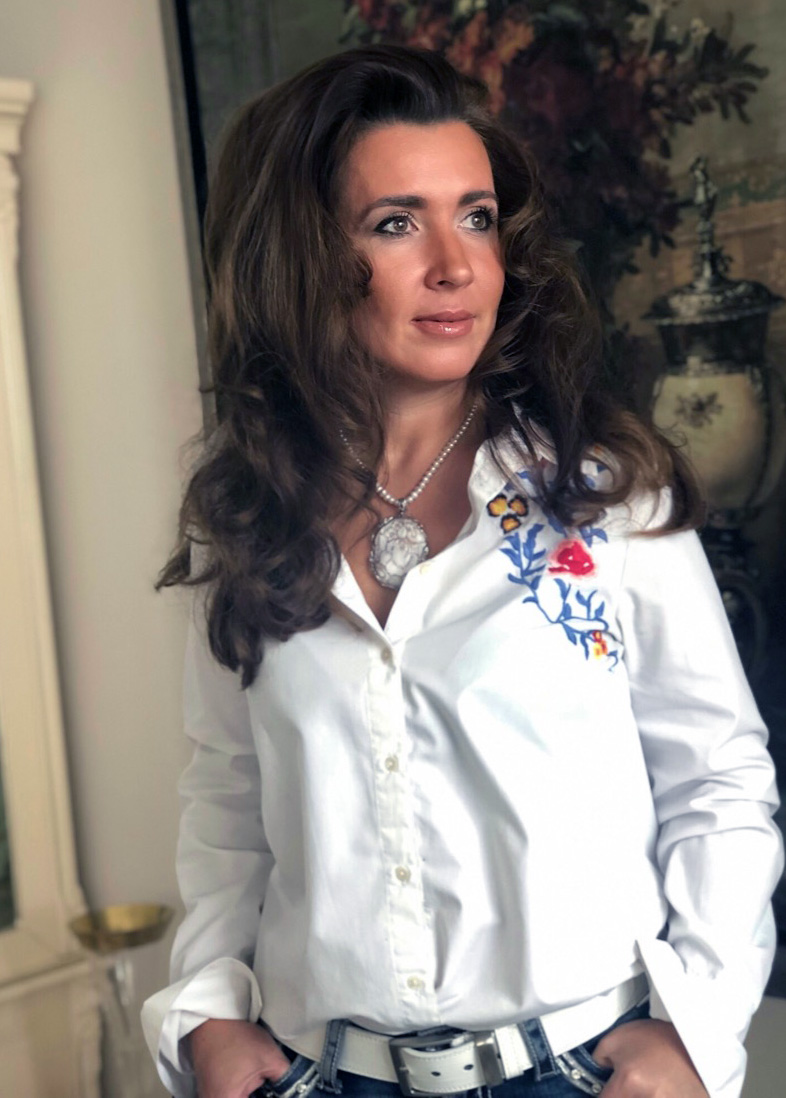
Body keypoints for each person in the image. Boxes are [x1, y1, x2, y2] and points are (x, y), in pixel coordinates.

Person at [141, 44, 783, 1098]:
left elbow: (717, 778)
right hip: (321, 1076)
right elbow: (228, 795)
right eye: (396, 224)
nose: (457, 266)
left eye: (476, 217)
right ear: (298, 255)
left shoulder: (606, 497)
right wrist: (209, 1011)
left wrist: (697, 1033)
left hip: (580, 1072)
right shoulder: (246, 519)